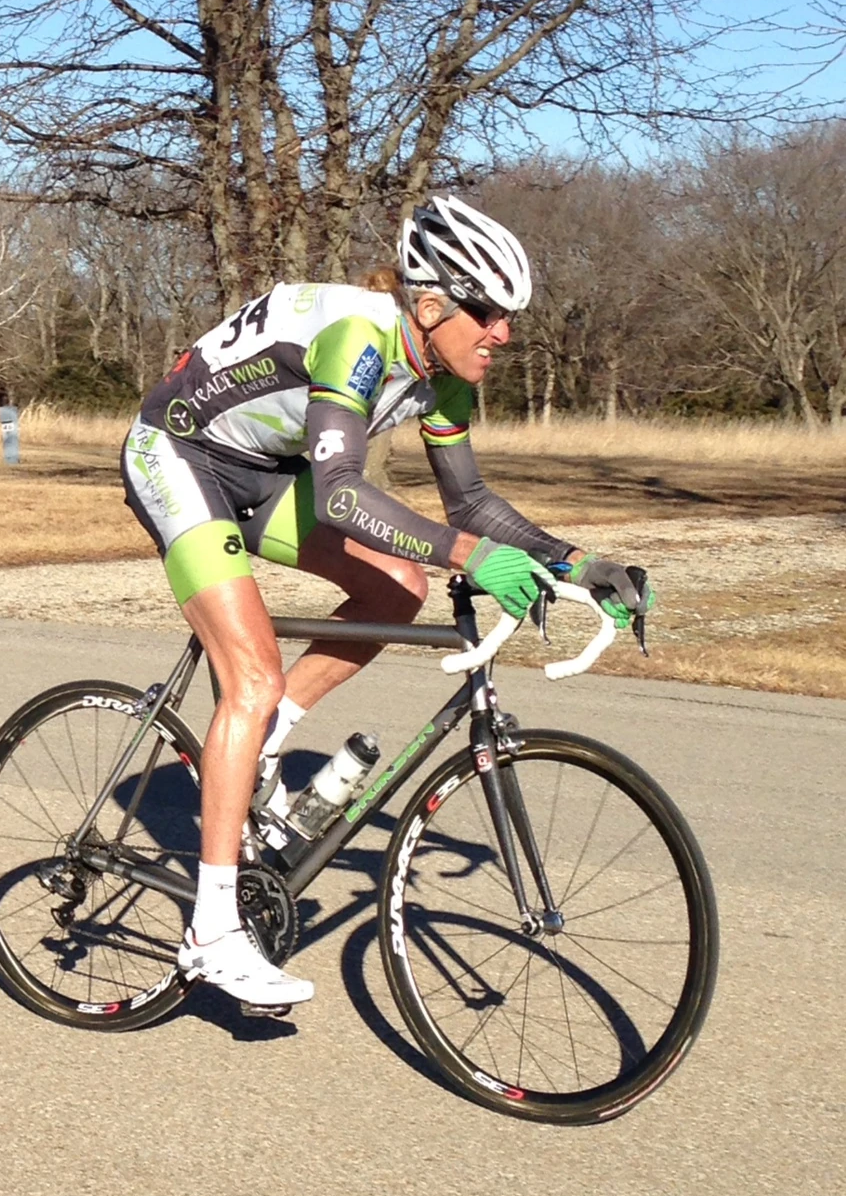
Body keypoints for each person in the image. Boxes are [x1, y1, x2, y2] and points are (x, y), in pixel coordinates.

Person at [121, 195, 655, 1009]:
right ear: (432, 303)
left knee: (397, 586)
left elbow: (469, 502)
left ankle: (264, 741)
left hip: (264, 471)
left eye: (508, 316)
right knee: (252, 677)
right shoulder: (360, 338)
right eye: (487, 312)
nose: (502, 333)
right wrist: (473, 557)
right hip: (180, 451)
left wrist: (579, 563)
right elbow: (340, 495)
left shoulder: (445, 379)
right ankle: (212, 931)